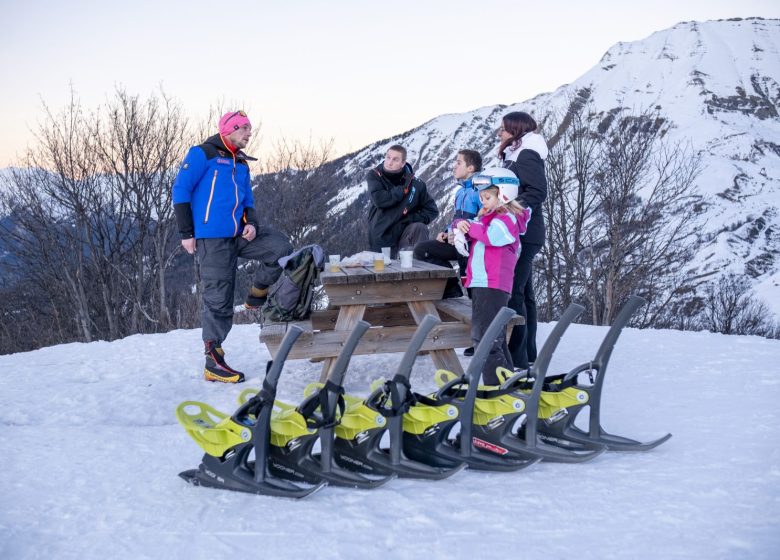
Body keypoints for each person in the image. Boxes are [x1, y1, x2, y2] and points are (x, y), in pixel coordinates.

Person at [172, 110, 293, 384]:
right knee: (219, 298)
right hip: (211, 237)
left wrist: (251, 223)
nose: (250, 134)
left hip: (241, 234)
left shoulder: (241, 162)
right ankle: (213, 361)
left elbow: (247, 199)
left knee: (281, 248)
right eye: (245, 129)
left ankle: (257, 293)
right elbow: (181, 190)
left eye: (250, 129)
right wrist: (186, 232)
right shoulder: (203, 153)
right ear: (229, 129)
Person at [453, 168, 530, 385]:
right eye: (481, 197)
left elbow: (491, 237)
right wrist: (461, 226)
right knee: (494, 337)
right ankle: (506, 382)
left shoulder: (509, 219)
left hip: (492, 284)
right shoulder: (488, 218)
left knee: (485, 339)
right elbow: (473, 230)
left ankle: (495, 388)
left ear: (504, 194)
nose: (483, 202)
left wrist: (469, 228)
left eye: (488, 197)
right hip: (481, 282)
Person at [497, 111, 548, 371]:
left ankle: (517, 358)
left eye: (504, 129)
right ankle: (527, 355)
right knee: (524, 293)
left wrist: (508, 208)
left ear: (515, 130)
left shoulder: (526, 154)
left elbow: (538, 191)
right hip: (523, 231)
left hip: (525, 232)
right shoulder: (517, 153)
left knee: (514, 291)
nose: (500, 133)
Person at [413, 149, 482, 299]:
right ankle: (452, 290)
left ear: (471, 168)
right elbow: (458, 218)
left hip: (473, 245)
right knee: (422, 250)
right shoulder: (461, 191)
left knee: (471, 288)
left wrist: (460, 232)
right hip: (457, 240)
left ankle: (477, 310)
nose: (454, 166)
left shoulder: (480, 190)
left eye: (458, 163)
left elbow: (485, 219)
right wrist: (447, 232)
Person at [367, 145, 439, 255]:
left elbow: (432, 210)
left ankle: (421, 267)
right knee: (385, 268)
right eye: (388, 157)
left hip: (405, 234)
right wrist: (402, 190)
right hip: (381, 235)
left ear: (403, 163)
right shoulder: (375, 175)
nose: (389, 162)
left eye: (395, 159)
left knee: (419, 227)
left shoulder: (417, 185)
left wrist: (410, 218)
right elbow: (379, 200)